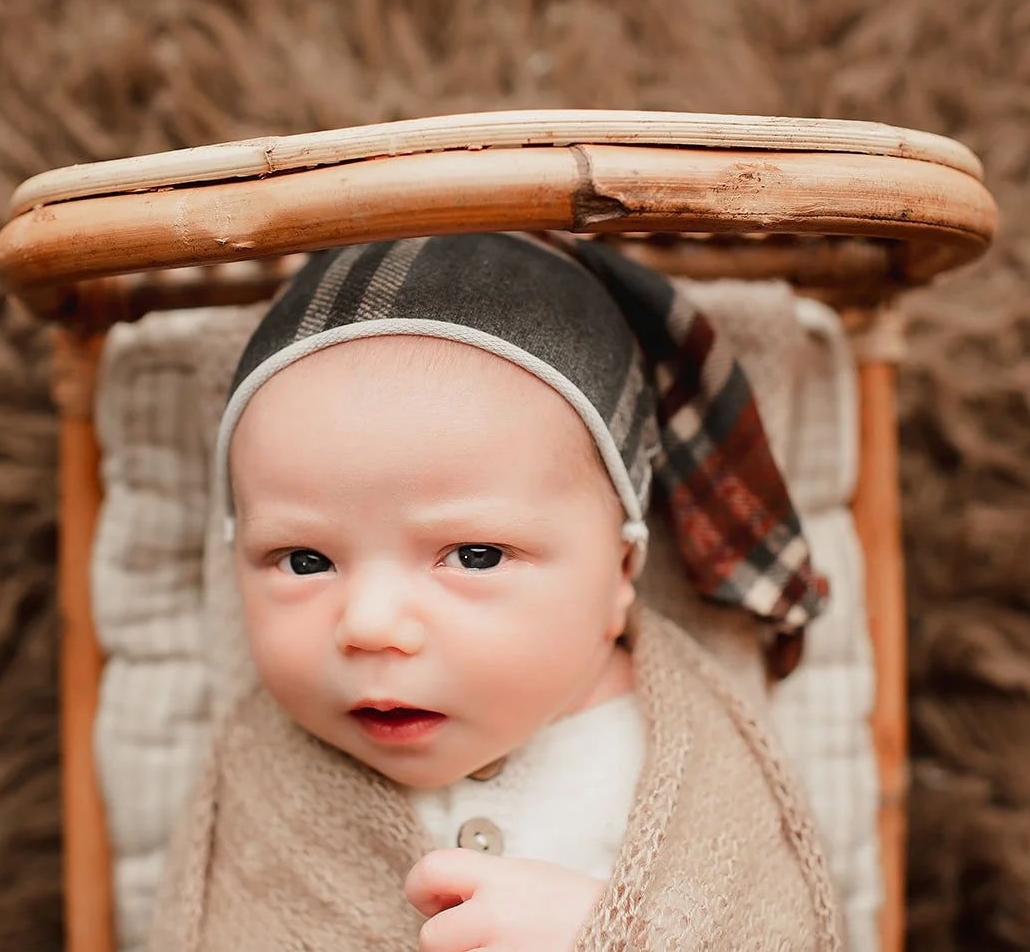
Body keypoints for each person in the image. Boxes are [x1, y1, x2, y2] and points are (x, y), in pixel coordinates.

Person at [148, 231, 844, 951]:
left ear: (622, 577)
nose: (371, 624)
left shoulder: (695, 761)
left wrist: (608, 935)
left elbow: (777, 927)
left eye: (475, 555)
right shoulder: (265, 779)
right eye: (303, 561)